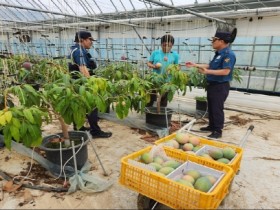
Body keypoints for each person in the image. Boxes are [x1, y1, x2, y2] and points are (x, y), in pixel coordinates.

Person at [186, 29, 237, 139]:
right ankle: (211, 126)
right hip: (213, 85)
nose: (212, 42)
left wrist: (207, 72)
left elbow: (226, 71)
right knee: (212, 107)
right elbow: (211, 66)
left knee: (217, 108)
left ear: (222, 41)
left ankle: (217, 131)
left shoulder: (229, 55)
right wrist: (195, 65)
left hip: (220, 86)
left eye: (214, 40)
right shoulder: (218, 54)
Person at [68, 31, 112, 138]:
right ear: (82, 40)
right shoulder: (79, 52)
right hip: (82, 83)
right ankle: (95, 131)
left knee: (80, 106)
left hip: (76, 83)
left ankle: (79, 127)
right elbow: (83, 69)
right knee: (92, 106)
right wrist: (91, 84)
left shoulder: (76, 49)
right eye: (90, 40)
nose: (91, 42)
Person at [146, 34, 179, 107]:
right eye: (164, 45)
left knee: (163, 100)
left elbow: (178, 67)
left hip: (168, 81)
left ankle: (161, 113)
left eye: (169, 46)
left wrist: (172, 69)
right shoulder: (155, 53)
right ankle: (148, 112)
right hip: (155, 79)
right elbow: (149, 63)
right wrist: (154, 66)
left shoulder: (175, 55)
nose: (166, 47)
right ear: (161, 44)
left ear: (172, 45)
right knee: (150, 98)